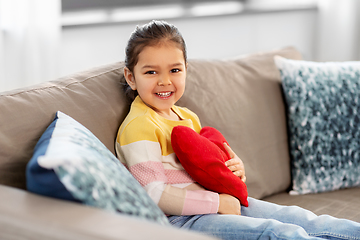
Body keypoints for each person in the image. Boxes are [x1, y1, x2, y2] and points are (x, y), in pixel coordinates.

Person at [115, 20, 360, 240]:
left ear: (186, 69)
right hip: (181, 221)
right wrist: (217, 202)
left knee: (302, 218)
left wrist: (234, 169)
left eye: (175, 70)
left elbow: (207, 165)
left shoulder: (187, 117)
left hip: (221, 202)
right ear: (131, 77)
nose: (165, 81)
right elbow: (153, 194)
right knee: (279, 233)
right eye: (151, 72)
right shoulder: (139, 126)